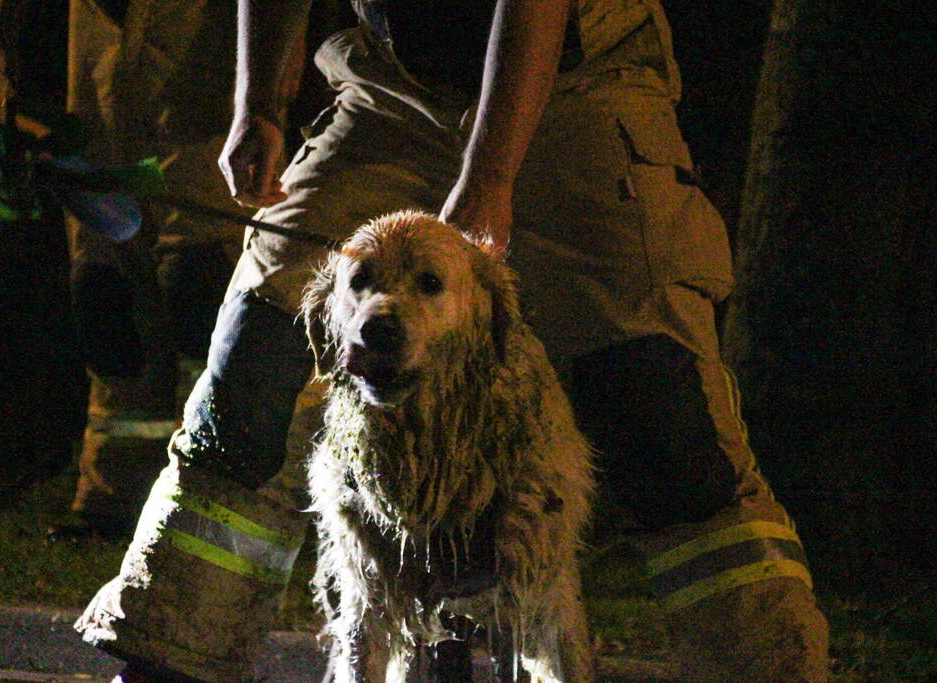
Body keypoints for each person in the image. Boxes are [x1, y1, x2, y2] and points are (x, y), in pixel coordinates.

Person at [76, 1, 831, 680]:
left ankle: (768, 663)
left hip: (581, 87)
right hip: (394, 93)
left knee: (657, 398)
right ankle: (170, 655)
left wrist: (490, 174)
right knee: (259, 352)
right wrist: (258, 103)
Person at [50, 0, 260, 539]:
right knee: (106, 304)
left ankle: (208, 502)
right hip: (102, 120)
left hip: (205, 121)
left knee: (201, 294)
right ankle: (111, 499)